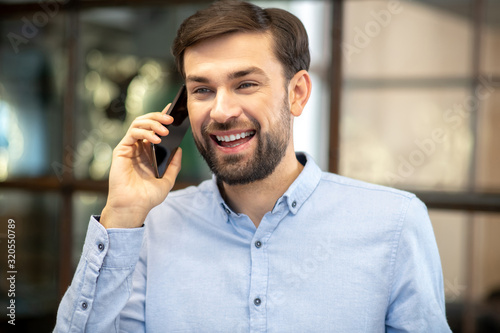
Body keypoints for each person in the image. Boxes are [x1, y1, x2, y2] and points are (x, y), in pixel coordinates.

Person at [54, 1, 452, 332]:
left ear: (296, 94)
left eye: (245, 84)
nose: (222, 111)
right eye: (202, 90)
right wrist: (121, 216)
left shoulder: (395, 224)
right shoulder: (150, 229)